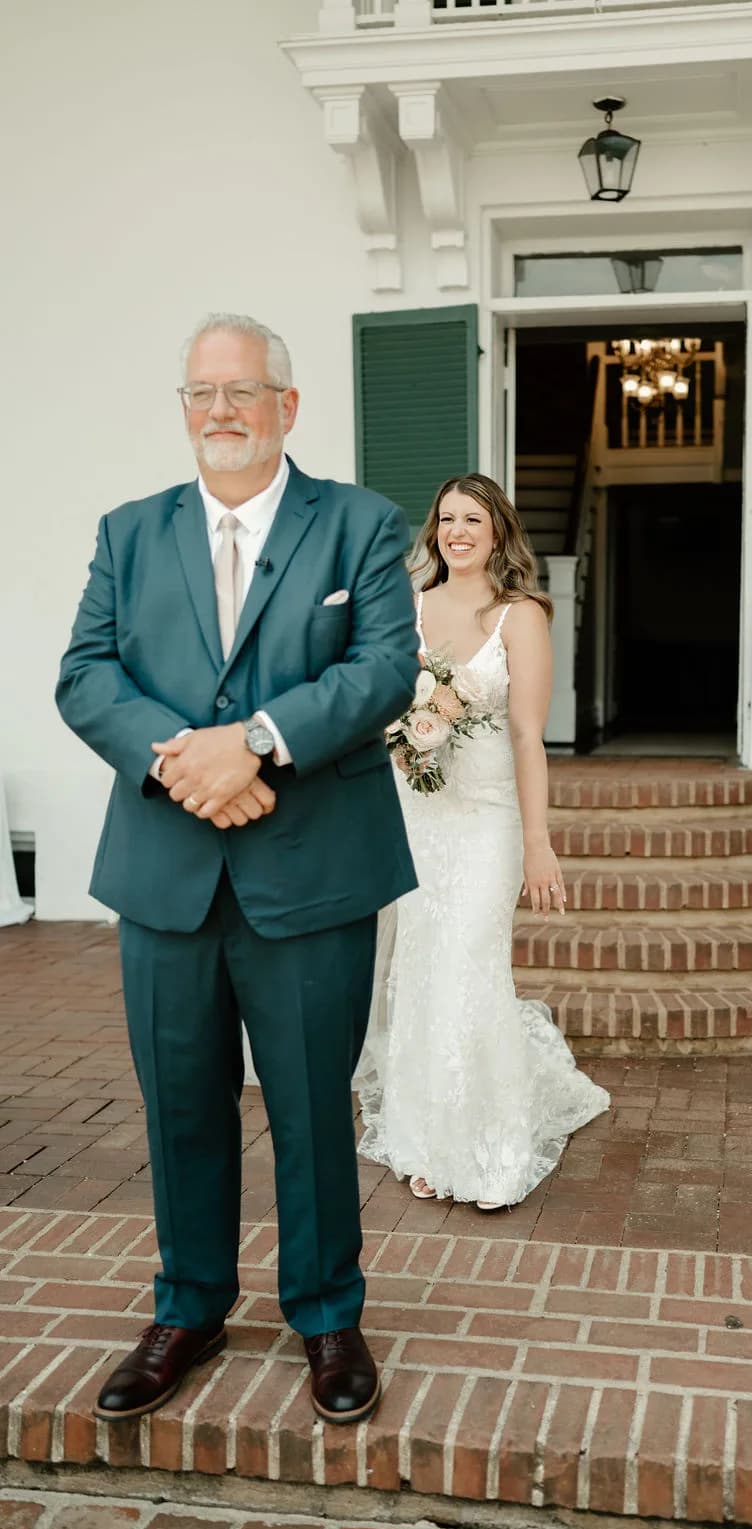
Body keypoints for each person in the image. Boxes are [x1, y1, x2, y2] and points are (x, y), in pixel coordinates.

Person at [56, 313, 419, 1425]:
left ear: (287, 408)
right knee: (181, 1107)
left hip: (310, 876)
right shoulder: (128, 532)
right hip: (166, 876)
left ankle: (325, 1316)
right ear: (184, 409)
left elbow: (386, 668)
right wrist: (187, 765)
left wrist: (254, 741)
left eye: (244, 392)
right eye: (202, 393)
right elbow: (86, 675)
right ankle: (190, 1305)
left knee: (312, 1105)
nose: (220, 411)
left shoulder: (359, 523)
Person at [355, 474, 609, 1210]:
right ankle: (425, 1135)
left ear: (498, 531)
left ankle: (485, 1142)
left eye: (473, 519)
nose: (457, 531)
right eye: (446, 519)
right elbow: (374, 705)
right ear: (433, 532)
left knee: (470, 962)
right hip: (413, 813)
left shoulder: (521, 615)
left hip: (488, 817)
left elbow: (528, 734)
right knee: (418, 967)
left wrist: (539, 841)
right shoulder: (406, 607)